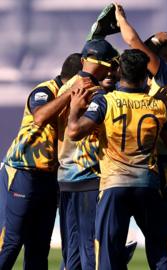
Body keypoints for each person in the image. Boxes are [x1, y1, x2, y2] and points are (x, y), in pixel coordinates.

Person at [67, 49, 167, 270]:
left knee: (108, 251)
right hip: (147, 185)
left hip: (114, 186)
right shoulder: (158, 105)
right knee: (159, 251)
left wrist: (74, 110)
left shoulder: (105, 102)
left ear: (119, 72)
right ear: (145, 76)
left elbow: (74, 132)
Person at [113, 5, 167, 268]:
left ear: (164, 57)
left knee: (160, 235)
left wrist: (121, 19)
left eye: (153, 57)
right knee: (158, 232)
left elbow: (134, 43)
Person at [0, 53, 83, 269]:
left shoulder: (80, 97)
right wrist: (70, 95)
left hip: (50, 178)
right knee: (11, 241)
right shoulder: (44, 91)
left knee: (39, 247)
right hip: (23, 172)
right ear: (74, 80)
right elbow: (40, 117)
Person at [54, 39, 119, 270]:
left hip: (65, 178)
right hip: (89, 178)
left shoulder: (65, 87)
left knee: (71, 253)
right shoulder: (97, 93)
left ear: (83, 60)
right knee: (92, 251)